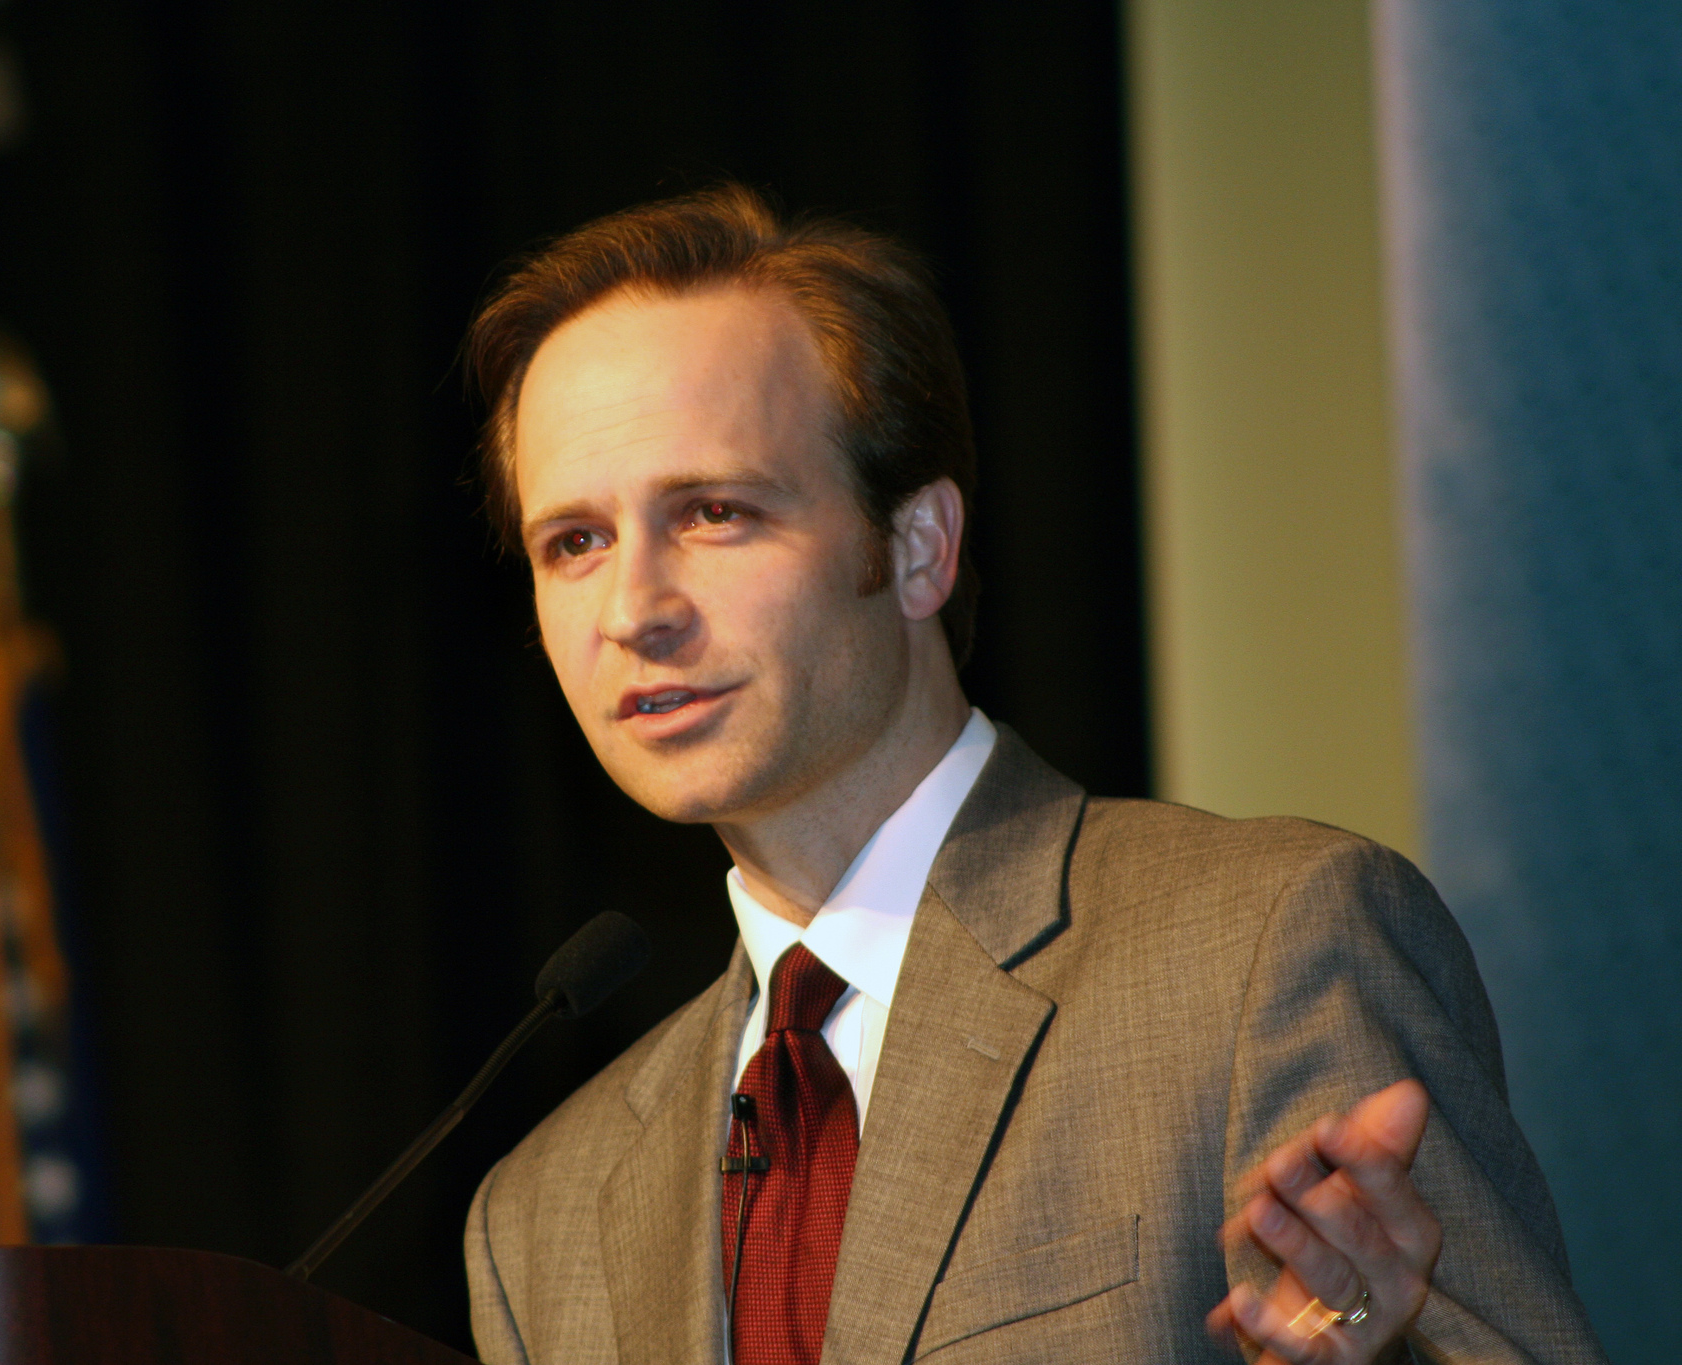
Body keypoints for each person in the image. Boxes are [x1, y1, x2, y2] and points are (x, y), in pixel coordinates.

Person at [460, 185, 1604, 1365]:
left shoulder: (1267, 954)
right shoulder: (539, 1219)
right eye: (574, 542)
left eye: (712, 512)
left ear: (917, 547)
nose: (632, 611)